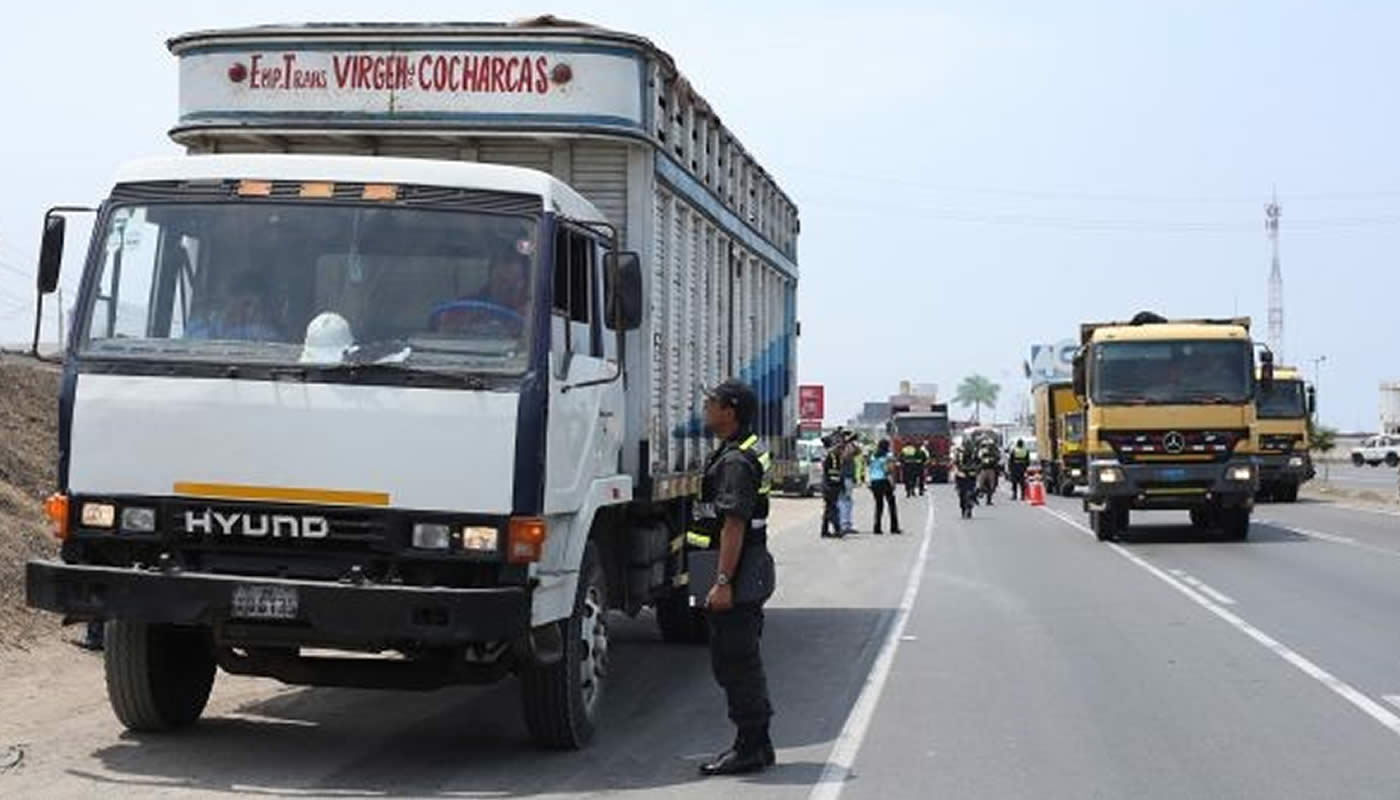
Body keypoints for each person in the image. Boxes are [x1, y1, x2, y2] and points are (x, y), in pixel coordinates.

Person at [696, 378, 777, 776]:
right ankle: (759, 745)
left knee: (734, 661)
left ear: (729, 411)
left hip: (739, 572)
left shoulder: (734, 462)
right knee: (741, 658)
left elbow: (733, 524)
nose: (705, 408)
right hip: (747, 568)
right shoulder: (738, 450)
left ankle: (748, 747)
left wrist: (723, 582)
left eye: (711, 403)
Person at [867, 439, 902, 534]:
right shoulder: (888, 456)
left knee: (879, 505)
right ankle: (894, 527)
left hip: (874, 481)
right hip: (884, 480)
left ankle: (877, 527)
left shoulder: (873, 456)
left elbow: (869, 469)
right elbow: (889, 470)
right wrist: (893, 483)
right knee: (891, 504)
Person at [820, 436, 845, 538]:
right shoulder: (829, 456)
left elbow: (839, 473)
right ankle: (837, 529)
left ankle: (824, 530)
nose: (841, 450)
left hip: (835, 485)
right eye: (839, 448)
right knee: (833, 508)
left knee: (828, 508)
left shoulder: (837, 457)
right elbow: (827, 472)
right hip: (829, 485)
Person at [837, 432, 858, 534]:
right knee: (844, 501)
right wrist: (848, 443)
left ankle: (847, 523)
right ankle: (844, 524)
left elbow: (858, 451)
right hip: (844, 477)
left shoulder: (847, 447)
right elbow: (845, 456)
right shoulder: (840, 449)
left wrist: (850, 442)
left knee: (848, 501)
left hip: (848, 477)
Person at [952, 443, 978, 519]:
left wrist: (975, 471)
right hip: (961, 476)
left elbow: (978, 463)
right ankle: (963, 509)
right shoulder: (959, 456)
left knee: (971, 492)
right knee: (961, 494)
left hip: (971, 476)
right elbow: (955, 465)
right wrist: (958, 472)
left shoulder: (974, 456)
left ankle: (970, 506)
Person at [976, 436, 1001, 506]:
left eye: (989, 445)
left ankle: (988, 500)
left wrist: (992, 460)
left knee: (991, 486)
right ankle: (976, 497)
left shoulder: (995, 451)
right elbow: (977, 459)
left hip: (991, 469)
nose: (988, 447)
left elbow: (998, 458)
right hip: (983, 469)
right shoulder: (980, 451)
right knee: (980, 485)